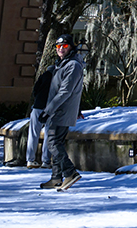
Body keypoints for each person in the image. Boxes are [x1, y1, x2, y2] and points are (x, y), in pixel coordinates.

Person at [39, 34, 84, 191]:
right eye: (58, 47)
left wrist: (48, 110)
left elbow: (65, 91)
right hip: (57, 110)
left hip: (61, 111)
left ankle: (70, 172)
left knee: (52, 142)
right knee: (55, 142)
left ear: (71, 47)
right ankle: (56, 178)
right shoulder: (63, 64)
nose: (60, 49)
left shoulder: (73, 65)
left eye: (64, 46)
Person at [26, 67, 55, 168]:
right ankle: (46, 161)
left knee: (33, 133)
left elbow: (35, 90)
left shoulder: (43, 76)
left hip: (37, 106)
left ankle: (30, 160)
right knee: (48, 133)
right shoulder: (58, 77)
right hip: (50, 107)